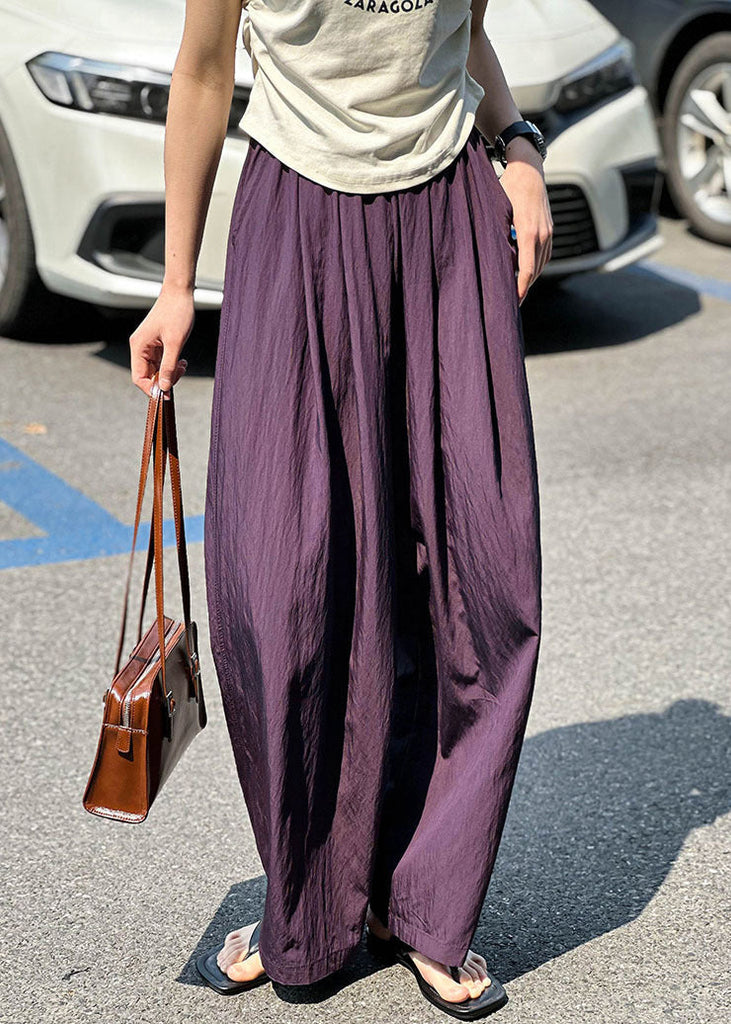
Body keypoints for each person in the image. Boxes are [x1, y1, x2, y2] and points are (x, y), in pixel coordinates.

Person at [129, 0, 551, 1017]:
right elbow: (202, 70)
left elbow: (463, 33)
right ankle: (309, 900)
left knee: (479, 575)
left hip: (447, 218)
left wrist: (520, 150)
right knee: (287, 587)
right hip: (299, 218)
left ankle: (424, 904)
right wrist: (176, 283)